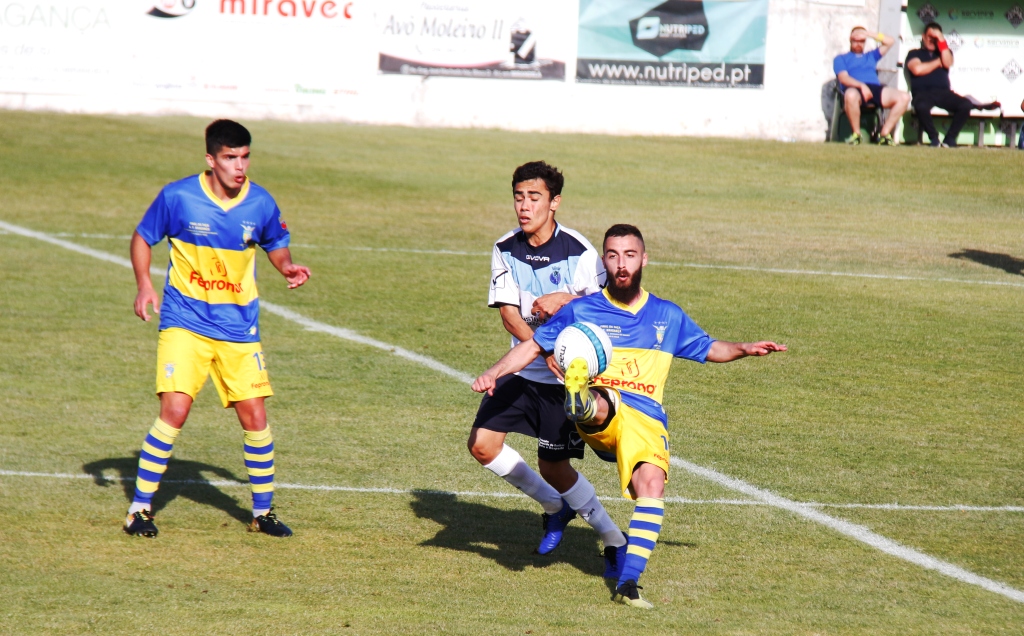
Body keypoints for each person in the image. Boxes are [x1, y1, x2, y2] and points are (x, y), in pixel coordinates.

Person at [472, 224, 787, 609]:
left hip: (647, 420)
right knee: (603, 401)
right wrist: (495, 372)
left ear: (644, 259)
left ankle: (629, 583)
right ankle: (581, 399)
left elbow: (707, 348)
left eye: (630, 255)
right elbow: (532, 348)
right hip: (604, 409)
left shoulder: (666, 315)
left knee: (651, 487)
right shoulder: (582, 309)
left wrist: (743, 347)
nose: (621, 265)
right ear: (604, 261)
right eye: (613, 256)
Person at [124, 119, 311, 538]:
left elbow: (276, 245)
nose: (239, 166)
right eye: (230, 158)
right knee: (174, 411)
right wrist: (143, 285)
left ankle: (263, 514)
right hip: (184, 323)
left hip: (239, 329)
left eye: (244, 157)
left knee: (256, 417)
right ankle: (139, 509)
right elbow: (142, 237)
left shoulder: (260, 202)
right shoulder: (179, 197)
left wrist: (287, 267)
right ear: (211, 159)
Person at [467, 161, 628, 573]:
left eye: (534, 197)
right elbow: (508, 315)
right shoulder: (505, 248)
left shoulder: (579, 252)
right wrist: (540, 349)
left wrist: (563, 300)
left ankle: (613, 538)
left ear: (554, 202)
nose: (524, 206)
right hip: (524, 370)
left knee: (554, 466)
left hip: (564, 382)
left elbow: (602, 311)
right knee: (482, 445)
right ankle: (554, 507)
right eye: (519, 196)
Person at [906, 22, 1000, 148]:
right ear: (923, 36)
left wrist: (941, 41)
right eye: (929, 36)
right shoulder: (914, 53)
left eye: (935, 38)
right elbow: (917, 69)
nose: (932, 40)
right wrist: (939, 62)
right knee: (921, 106)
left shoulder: (945, 51)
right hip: (923, 93)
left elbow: (948, 62)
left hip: (944, 93)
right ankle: (934, 139)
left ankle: (949, 139)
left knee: (965, 105)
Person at [833, 26, 910, 145]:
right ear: (850, 40)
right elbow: (844, 78)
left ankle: (884, 134)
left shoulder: (870, 56)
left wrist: (868, 34)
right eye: (855, 40)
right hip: (854, 88)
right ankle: (856, 135)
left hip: (874, 88)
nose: (859, 44)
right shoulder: (841, 58)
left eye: (862, 41)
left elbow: (890, 41)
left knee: (904, 97)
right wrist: (862, 86)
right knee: (851, 95)